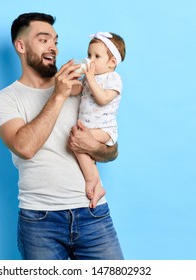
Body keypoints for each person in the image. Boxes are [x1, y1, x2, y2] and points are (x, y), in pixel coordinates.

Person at [0, 12, 123, 260]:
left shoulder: (81, 88)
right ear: (20, 46)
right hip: (40, 220)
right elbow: (25, 146)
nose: (53, 48)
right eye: (43, 40)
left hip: (92, 212)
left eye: (55, 41)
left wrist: (92, 145)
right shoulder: (4, 99)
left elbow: (111, 152)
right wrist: (58, 95)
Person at [72, 32, 126, 208]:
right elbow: (76, 92)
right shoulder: (89, 78)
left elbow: (102, 98)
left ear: (112, 63)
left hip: (105, 129)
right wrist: (71, 79)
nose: (90, 60)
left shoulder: (114, 79)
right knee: (84, 150)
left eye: (96, 56)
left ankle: (90, 180)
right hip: (87, 126)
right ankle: (98, 188)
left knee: (77, 144)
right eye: (89, 55)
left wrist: (89, 78)